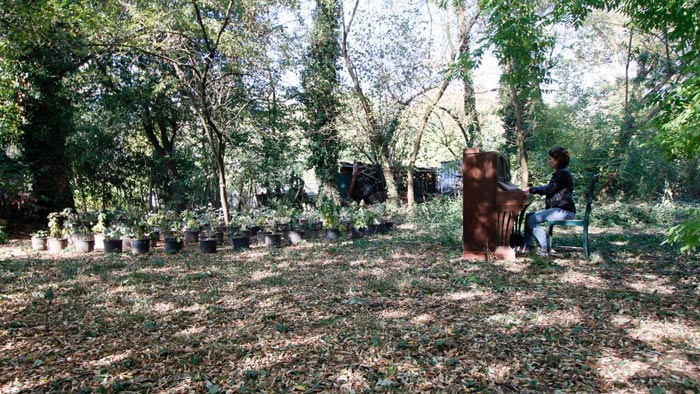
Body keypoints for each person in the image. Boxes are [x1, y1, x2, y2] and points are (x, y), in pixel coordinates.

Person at [521, 147, 575, 255]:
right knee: (529, 216)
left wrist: (531, 189)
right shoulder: (561, 172)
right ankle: (526, 247)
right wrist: (533, 189)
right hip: (560, 210)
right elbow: (551, 187)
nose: (548, 161)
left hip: (564, 211)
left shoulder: (562, 173)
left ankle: (546, 248)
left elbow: (549, 189)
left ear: (558, 160)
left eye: (550, 159)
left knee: (532, 219)